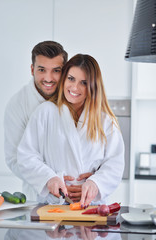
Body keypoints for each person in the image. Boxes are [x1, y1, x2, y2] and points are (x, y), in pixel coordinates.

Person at [17, 54, 124, 206]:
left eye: (84, 82)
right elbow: (26, 156)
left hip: (91, 207)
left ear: (93, 86)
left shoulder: (105, 121)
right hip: (53, 205)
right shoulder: (45, 112)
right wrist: (49, 179)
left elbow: (115, 163)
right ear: (64, 79)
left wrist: (95, 183)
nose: (74, 87)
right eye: (71, 79)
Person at [4, 41, 91, 202]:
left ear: (64, 71)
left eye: (56, 71)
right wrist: (48, 179)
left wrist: (94, 177)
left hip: (82, 194)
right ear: (32, 70)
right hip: (40, 197)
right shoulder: (17, 105)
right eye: (41, 70)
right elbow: (15, 158)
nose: (48, 78)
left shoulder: (77, 97)